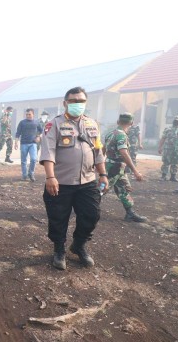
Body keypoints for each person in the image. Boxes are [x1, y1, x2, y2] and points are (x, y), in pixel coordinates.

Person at [39, 86, 108, 271]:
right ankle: (59, 249)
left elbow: (98, 151)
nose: (78, 104)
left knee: (92, 215)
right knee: (58, 218)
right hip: (60, 182)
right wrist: (50, 177)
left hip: (88, 181)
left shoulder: (92, 124)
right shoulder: (54, 124)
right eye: (73, 101)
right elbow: (48, 151)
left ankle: (78, 245)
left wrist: (103, 174)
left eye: (81, 101)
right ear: (65, 103)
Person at [103, 113, 148, 223]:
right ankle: (82, 208)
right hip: (115, 167)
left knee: (123, 189)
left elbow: (103, 148)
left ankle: (130, 213)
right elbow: (123, 152)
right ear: (131, 123)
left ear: (118, 122)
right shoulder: (121, 135)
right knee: (101, 189)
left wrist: (101, 163)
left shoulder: (110, 133)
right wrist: (135, 171)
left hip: (114, 166)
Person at [14, 108, 41, 181]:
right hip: (24, 144)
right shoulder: (22, 122)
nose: (28, 116)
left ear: (33, 114)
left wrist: (38, 136)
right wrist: (16, 142)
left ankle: (31, 173)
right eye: (26, 114)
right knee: (23, 160)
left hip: (33, 144)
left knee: (33, 159)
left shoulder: (36, 122)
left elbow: (41, 131)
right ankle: (24, 175)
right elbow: (18, 133)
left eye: (29, 114)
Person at [158, 115, 178, 182]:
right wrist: (160, 147)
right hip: (167, 149)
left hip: (177, 150)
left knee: (175, 163)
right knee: (166, 162)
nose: (176, 122)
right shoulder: (167, 129)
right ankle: (163, 176)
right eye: (175, 120)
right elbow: (163, 138)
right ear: (173, 121)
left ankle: (173, 177)